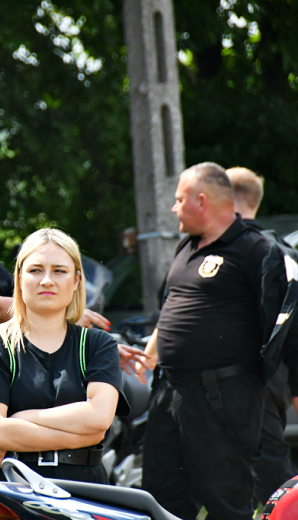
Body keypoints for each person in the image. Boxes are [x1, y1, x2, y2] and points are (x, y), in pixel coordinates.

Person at [138, 162, 288, 520]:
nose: (173, 208)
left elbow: (284, 329)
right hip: (169, 395)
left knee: (225, 502)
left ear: (201, 201)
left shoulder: (256, 250)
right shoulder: (185, 247)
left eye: (178, 200)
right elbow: (171, 310)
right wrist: (149, 356)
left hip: (221, 397)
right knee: (160, 500)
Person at [0, 228, 128, 485]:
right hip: (14, 490)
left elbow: (99, 419)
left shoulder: (97, 344)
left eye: (59, 271)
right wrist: (86, 434)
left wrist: (19, 421)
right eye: (35, 270)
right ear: (19, 278)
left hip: (85, 491)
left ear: (76, 281)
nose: (47, 280)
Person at [226, 166, 297, 505]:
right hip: (275, 372)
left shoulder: (249, 250)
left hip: (253, 372)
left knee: (267, 462)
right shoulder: (282, 251)